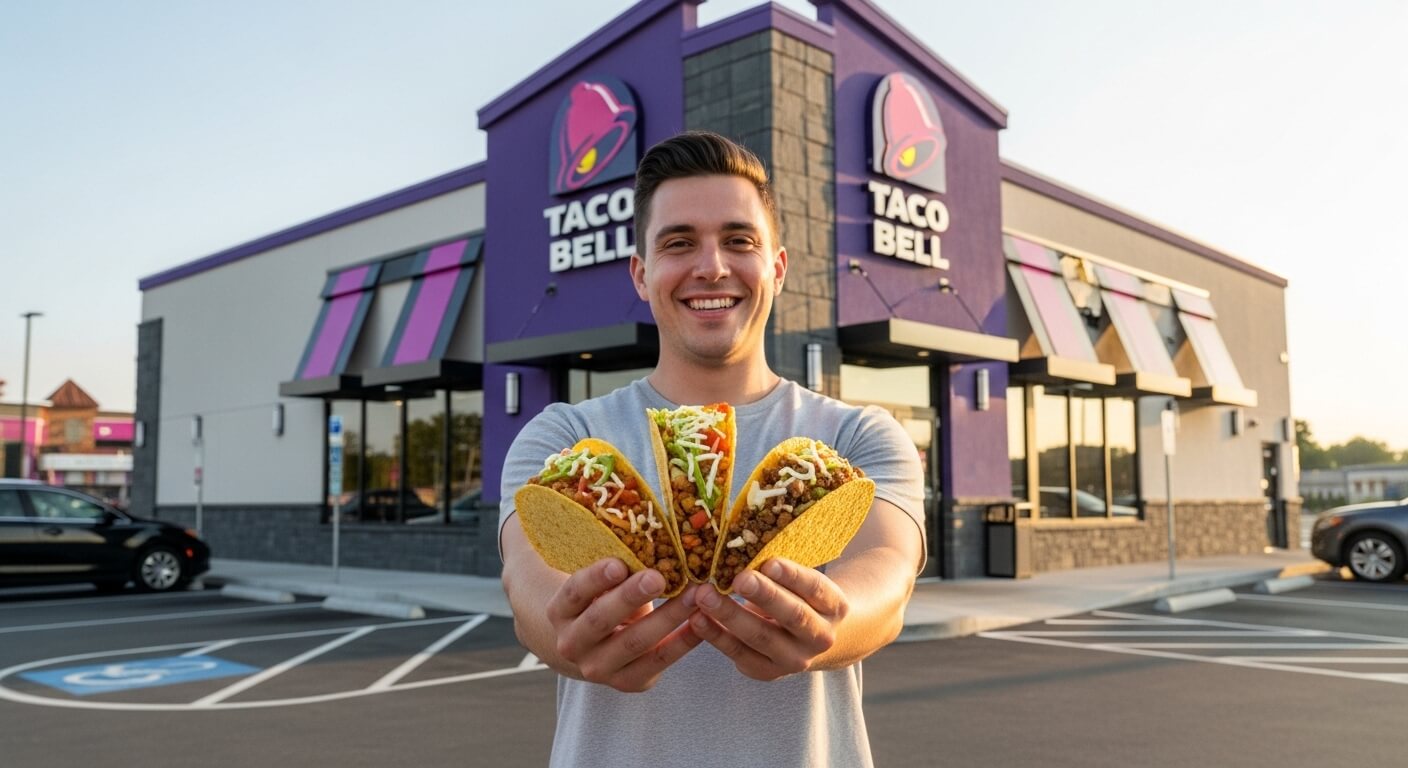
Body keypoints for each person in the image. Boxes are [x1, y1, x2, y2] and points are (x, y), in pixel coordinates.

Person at [498, 131, 925, 767]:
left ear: (777, 268)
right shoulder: (562, 441)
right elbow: (528, 584)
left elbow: (887, 573)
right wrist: (565, 631)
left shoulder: (856, 437)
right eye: (678, 243)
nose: (712, 267)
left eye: (739, 240)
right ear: (641, 275)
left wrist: (831, 623)